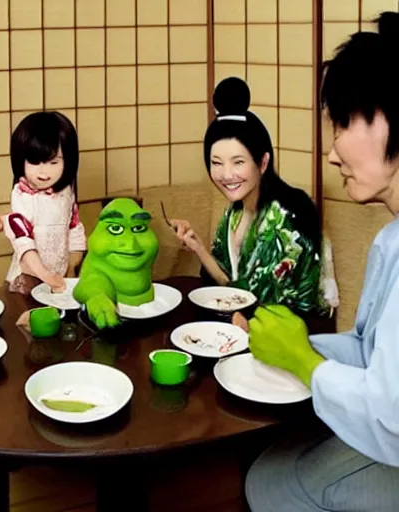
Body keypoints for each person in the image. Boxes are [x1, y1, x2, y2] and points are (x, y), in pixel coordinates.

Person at [245, 11, 399, 511]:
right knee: (268, 465)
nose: (331, 153)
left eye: (342, 123)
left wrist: (301, 359)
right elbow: (369, 352)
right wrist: (289, 343)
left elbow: (390, 418)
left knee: (270, 485)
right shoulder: (391, 237)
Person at [170, 77, 338, 320]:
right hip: (247, 325)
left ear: (262, 163)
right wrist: (197, 246)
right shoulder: (234, 212)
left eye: (238, 162)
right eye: (216, 163)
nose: (226, 175)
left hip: (293, 336)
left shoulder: (286, 221)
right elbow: (230, 287)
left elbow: (269, 303)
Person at [0, 111, 86, 295]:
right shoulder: (22, 196)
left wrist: (72, 268)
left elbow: (74, 228)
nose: (43, 172)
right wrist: (47, 277)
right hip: (27, 279)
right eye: (34, 162)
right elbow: (23, 241)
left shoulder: (65, 193)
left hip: (61, 277)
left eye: (53, 162)